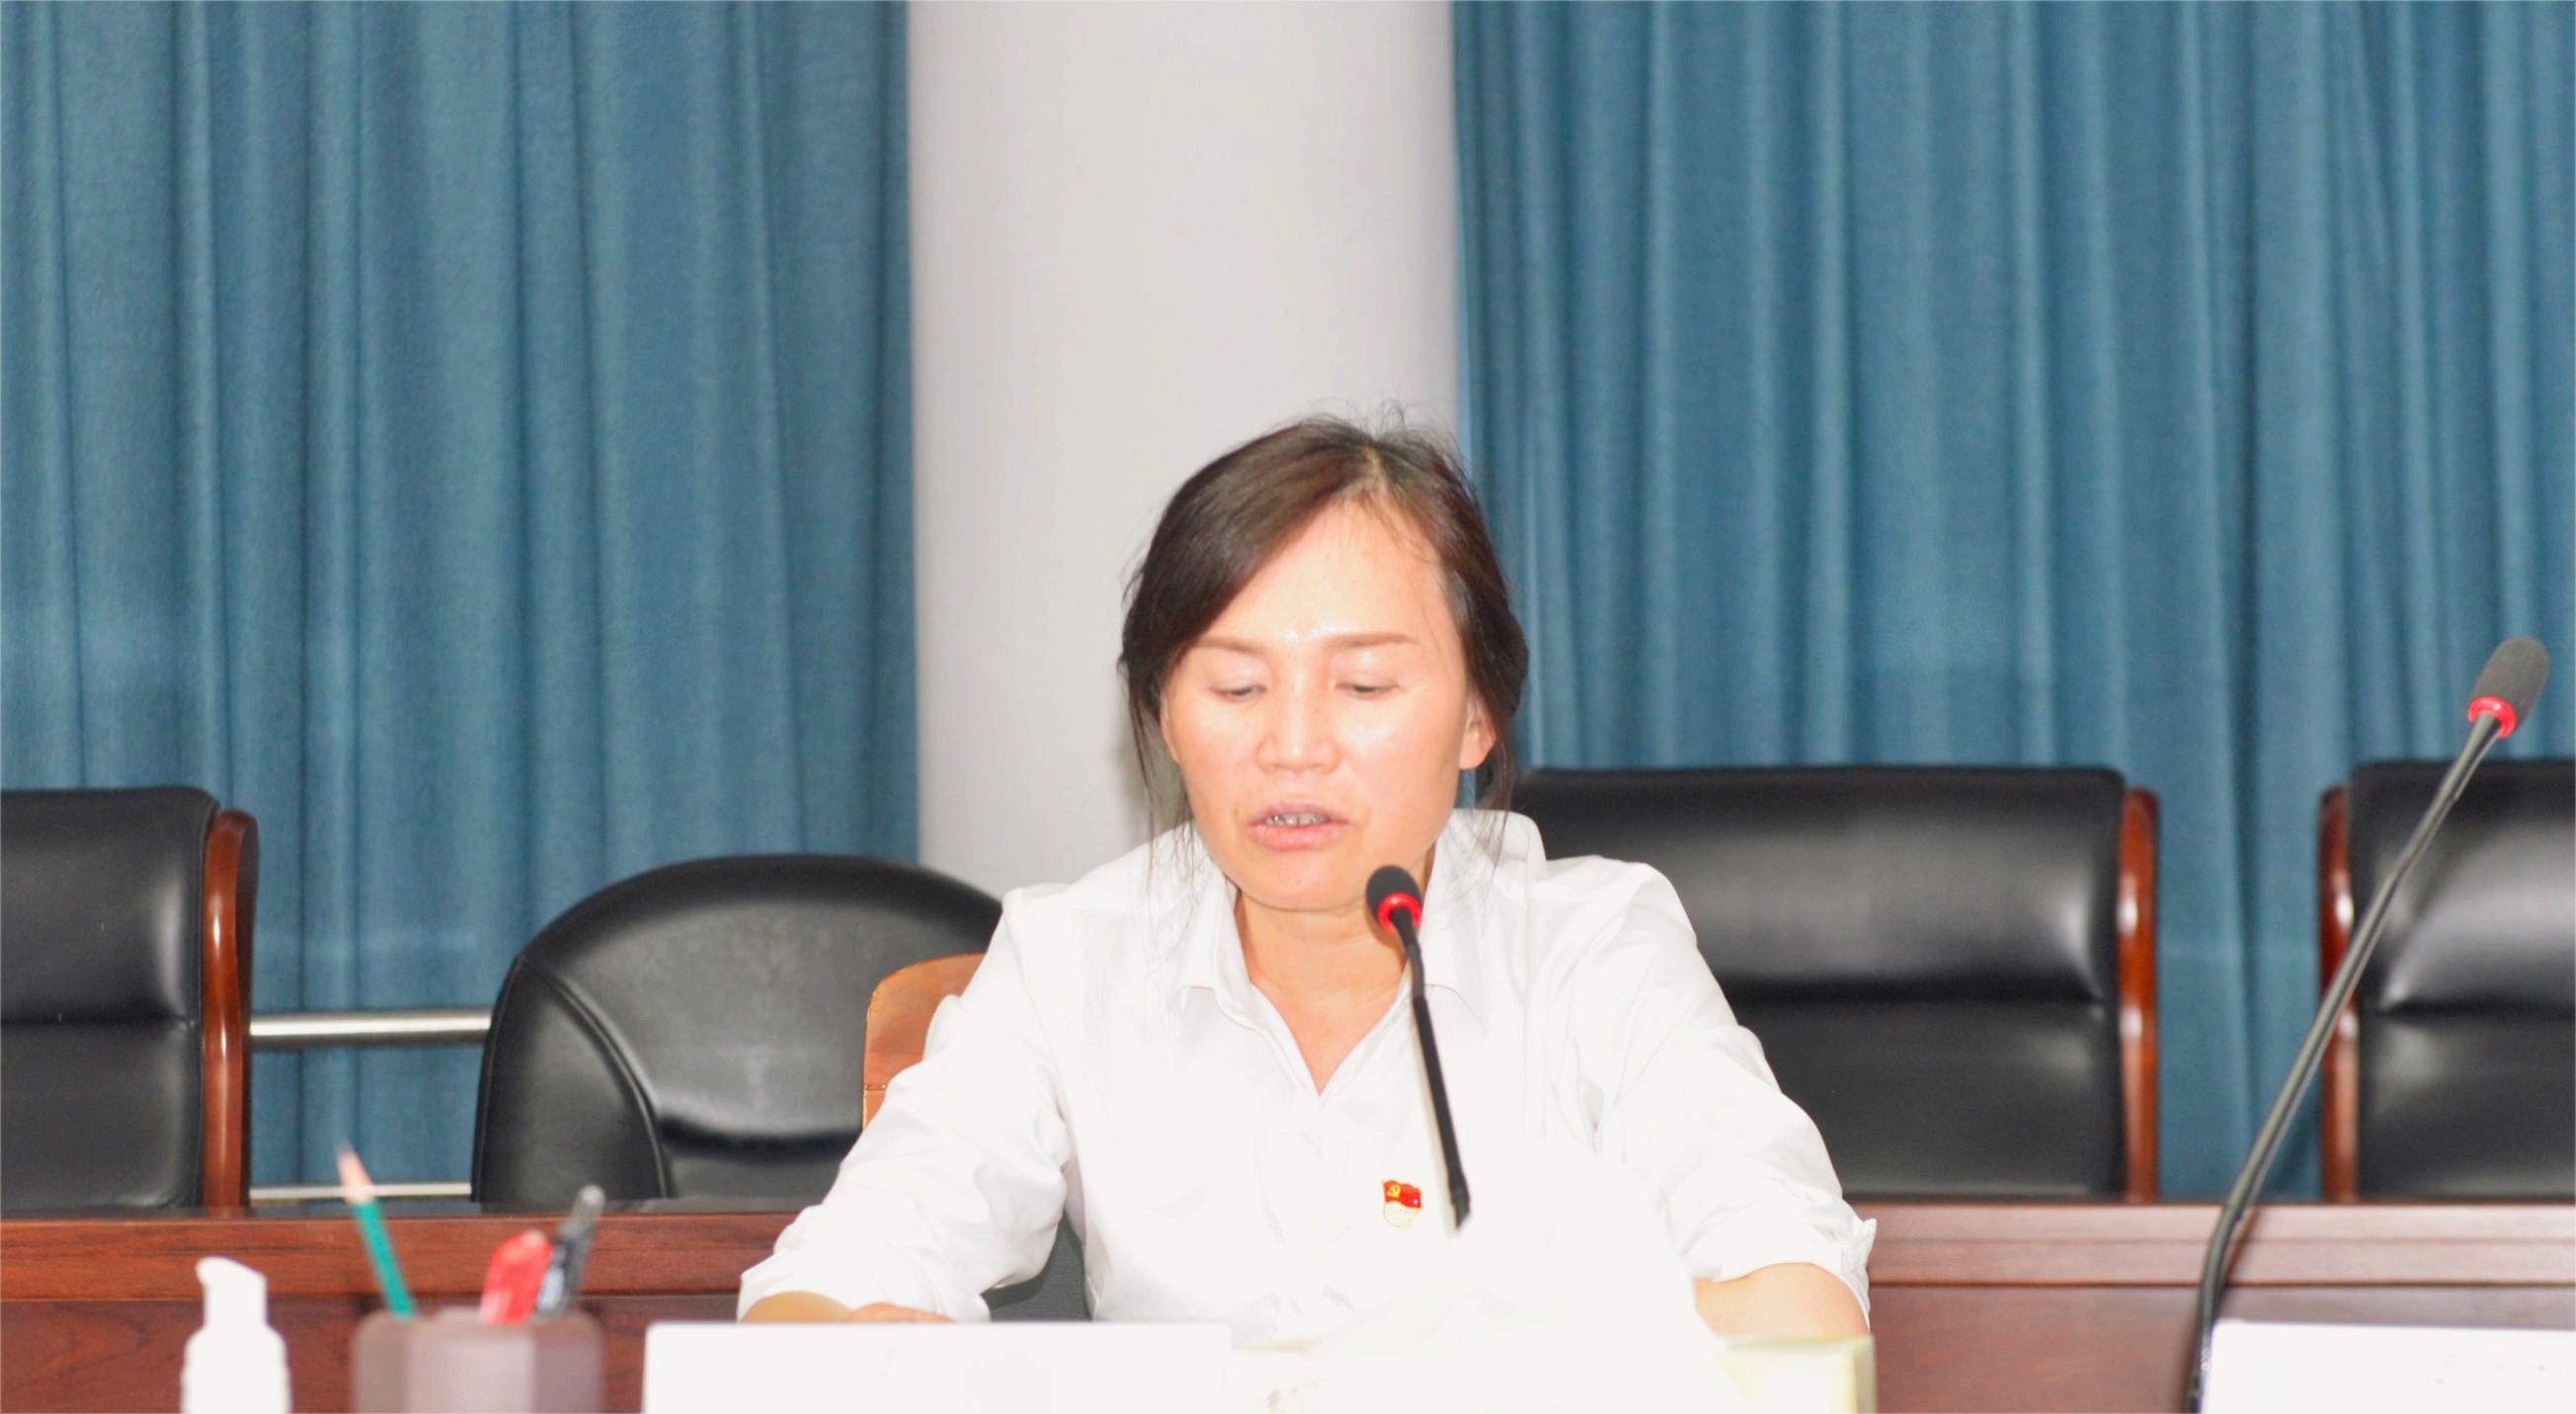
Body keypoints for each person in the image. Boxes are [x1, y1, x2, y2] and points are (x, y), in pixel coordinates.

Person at [739, 417, 1872, 1343]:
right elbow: (821, 1290)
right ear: (1166, 720)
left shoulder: (1589, 945)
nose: (1292, 746)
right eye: (1235, 688)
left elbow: (1800, 1300)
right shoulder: (1070, 960)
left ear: (1477, 717)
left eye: (1364, 687)